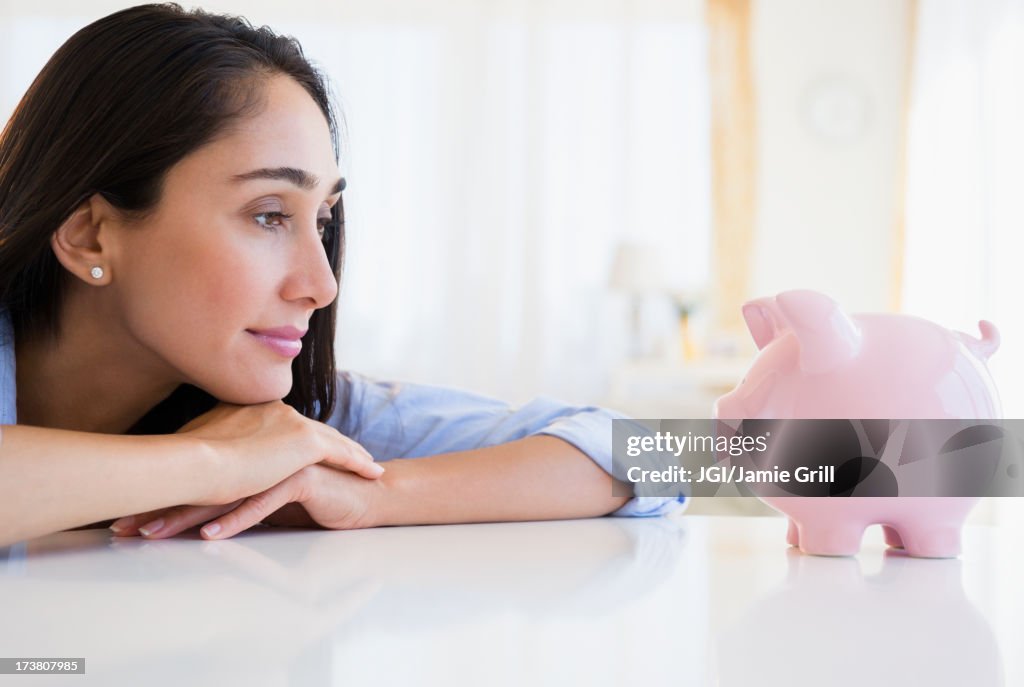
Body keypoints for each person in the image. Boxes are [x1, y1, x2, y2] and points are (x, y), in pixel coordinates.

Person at [0, 4, 686, 548]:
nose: (322, 284)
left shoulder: (293, 423)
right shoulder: (249, 442)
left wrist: (376, 495)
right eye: (268, 214)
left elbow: (702, 460)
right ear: (90, 231)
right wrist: (215, 461)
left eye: (322, 220)